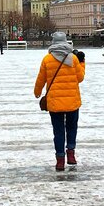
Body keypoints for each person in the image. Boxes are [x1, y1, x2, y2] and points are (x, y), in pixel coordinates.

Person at [34, 31, 85, 171]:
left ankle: (60, 160)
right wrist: (82, 62)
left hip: (54, 102)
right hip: (72, 101)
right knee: (72, 128)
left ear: (53, 42)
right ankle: (71, 154)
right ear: (66, 42)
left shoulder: (47, 59)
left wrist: (37, 92)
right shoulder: (73, 59)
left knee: (58, 131)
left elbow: (41, 79)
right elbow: (80, 78)